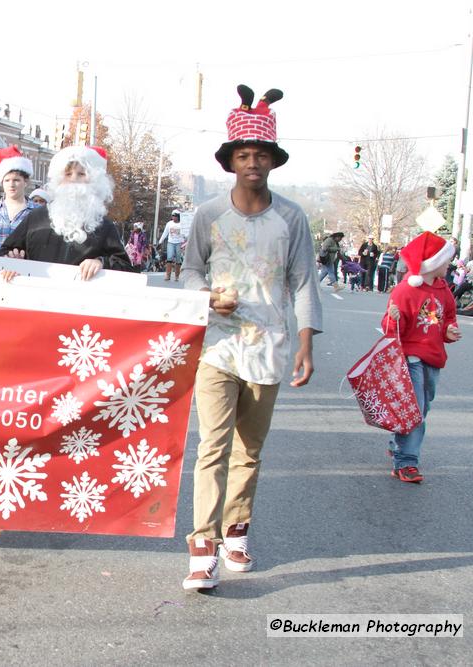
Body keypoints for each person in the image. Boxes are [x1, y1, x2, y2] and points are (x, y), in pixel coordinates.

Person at [180, 85, 322, 591]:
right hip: (218, 346)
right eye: (244, 154)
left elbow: (303, 281)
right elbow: (189, 271)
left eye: (260, 154)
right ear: (231, 161)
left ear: (272, 161)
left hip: (269, 348)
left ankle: (235, 531)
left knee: (249, 450)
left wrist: (306, 341)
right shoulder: (209, 214)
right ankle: (202, 549)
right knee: (211, 448)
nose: (252, 162)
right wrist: (206, 297)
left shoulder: (291, 218)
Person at [383, 232, 461, 483]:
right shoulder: (405, 291)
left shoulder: (443, 290)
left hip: (434, 357)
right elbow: (392, 330)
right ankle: (406, 462)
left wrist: (449, 330)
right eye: (445, 260)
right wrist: (392, 318)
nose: (449, 264)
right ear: (432, 262)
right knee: (414, 410)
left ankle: (399, 444)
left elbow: (447, 317)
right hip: (411, 357)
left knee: (422, 407)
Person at [0, 144, 133, 278]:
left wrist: (101, 263)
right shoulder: (36, 217)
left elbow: (125, 267)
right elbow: (4, 253)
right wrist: (12, 262)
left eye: (81, 174)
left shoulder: (104, 226)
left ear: (94, 180)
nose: (74, 179)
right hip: (37, 297)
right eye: (68, 174)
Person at [0, 145, 39, 248]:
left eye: (16, 180)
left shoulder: (36, 211)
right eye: (7, 180)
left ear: (25, 182)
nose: (11, 184)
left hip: (25, 263)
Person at [159, 210, 185, 281]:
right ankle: (168, 275)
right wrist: (160, 241)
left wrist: (185, 241)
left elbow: (186, 234)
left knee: (178, 259)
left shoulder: (182, 224)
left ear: (178, 217)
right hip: (171, 242)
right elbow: (165, 233)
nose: (173, 217)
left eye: (175, 216)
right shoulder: (169, 224)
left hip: (179, 243)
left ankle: (177, 275)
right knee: (169, 258)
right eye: (172, 216)